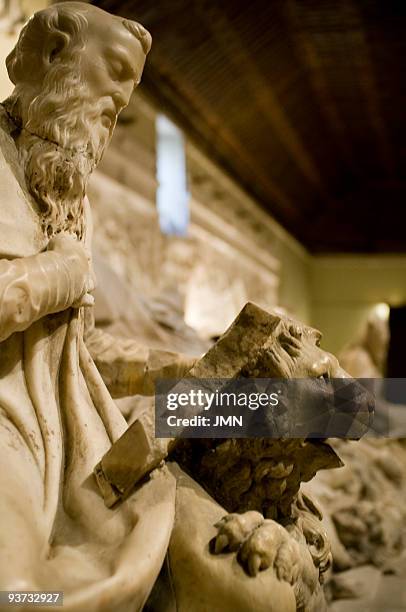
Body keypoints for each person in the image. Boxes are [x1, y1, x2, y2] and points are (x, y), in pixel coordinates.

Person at [0, 3, 193, 609]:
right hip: (7, 431)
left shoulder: (66, 197)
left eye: (128, 91)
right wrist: (50, 277)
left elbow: (78, 349)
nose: (118, 102)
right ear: (53, 55)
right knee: (20, 591)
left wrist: (175, 370)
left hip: (65, 439)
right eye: (112, 71)